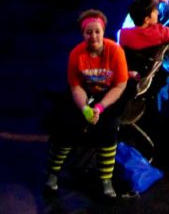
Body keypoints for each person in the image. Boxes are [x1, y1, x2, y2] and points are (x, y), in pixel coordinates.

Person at [45, 10, 129, 199]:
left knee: (109, 131)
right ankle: (53, 173)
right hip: (83, 95)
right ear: (83, 34)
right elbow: (76, 87)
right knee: (64, 129)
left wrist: (99, 108)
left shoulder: (115, 51)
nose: (93, 36)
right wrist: (84, 108)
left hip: (108, 96)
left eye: (97, 31)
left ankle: (105, 179)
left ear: (103, 31)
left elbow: (120, 85)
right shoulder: (76, 54)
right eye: (89, 32)